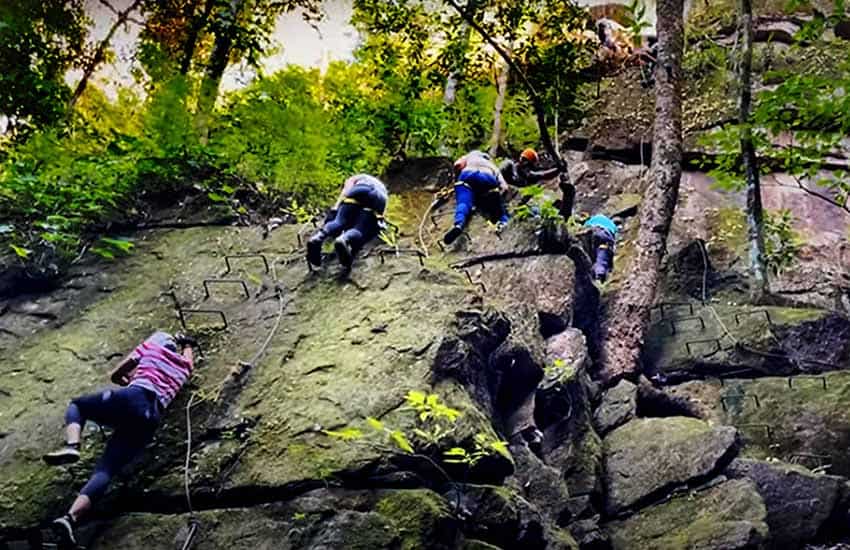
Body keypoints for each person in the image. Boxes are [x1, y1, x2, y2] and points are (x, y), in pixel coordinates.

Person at [43, 331, 196, 547]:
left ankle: (73, 445)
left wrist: (129, 378)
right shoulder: (184, 366)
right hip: (151, 417)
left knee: (78, 405)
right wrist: (187, 343)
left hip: (136, 395)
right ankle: (70, 518)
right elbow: (189, 355)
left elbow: (116, 375)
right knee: (106, 470)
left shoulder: (151, 348)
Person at [307, 174, 388, 269]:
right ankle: (344, 239)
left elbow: (344, 194)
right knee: (360, 228)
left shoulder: (352, 180)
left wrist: (335, 210)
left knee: (339, 221)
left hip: (358, 190)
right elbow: (380, 215)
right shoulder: (374, 182)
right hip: (378, 196)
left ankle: (318, 237)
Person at [443, 151, 510, 245]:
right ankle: (503, 221)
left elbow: (457, 165)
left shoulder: (470, 156)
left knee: (463, 202)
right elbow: (505, 187)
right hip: (487, 178)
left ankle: (458, 224)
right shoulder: (492, 165)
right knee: (499, 210)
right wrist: (498, 197)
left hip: (467, 175)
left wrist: (456, 180)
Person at [582, 214, 620, 282]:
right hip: (604, 233)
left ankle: (591, 275)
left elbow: (584, 227)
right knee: (602, 253)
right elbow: (615, 239)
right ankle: (599, 276)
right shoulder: (611, 224)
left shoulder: (593, 219)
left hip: (590, 232)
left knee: (590, 257)